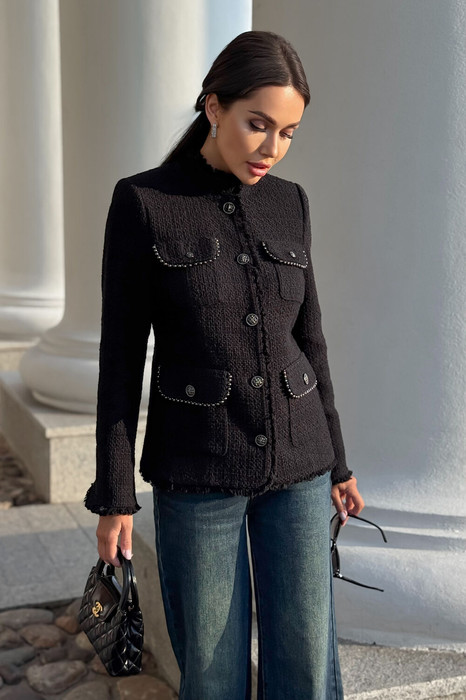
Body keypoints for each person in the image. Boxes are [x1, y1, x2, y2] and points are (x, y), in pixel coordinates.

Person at [84, 29, 365, 700]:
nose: (272, 148)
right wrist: (115, 495)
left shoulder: (290, 202)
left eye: (288, 132)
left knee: (307, 665)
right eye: (257, 124)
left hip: (300, 467)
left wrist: (339, 462)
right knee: (212, 676)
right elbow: (120, 357)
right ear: (214, 107)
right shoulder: (145, 203)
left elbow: (311, 340)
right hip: (198, 472)